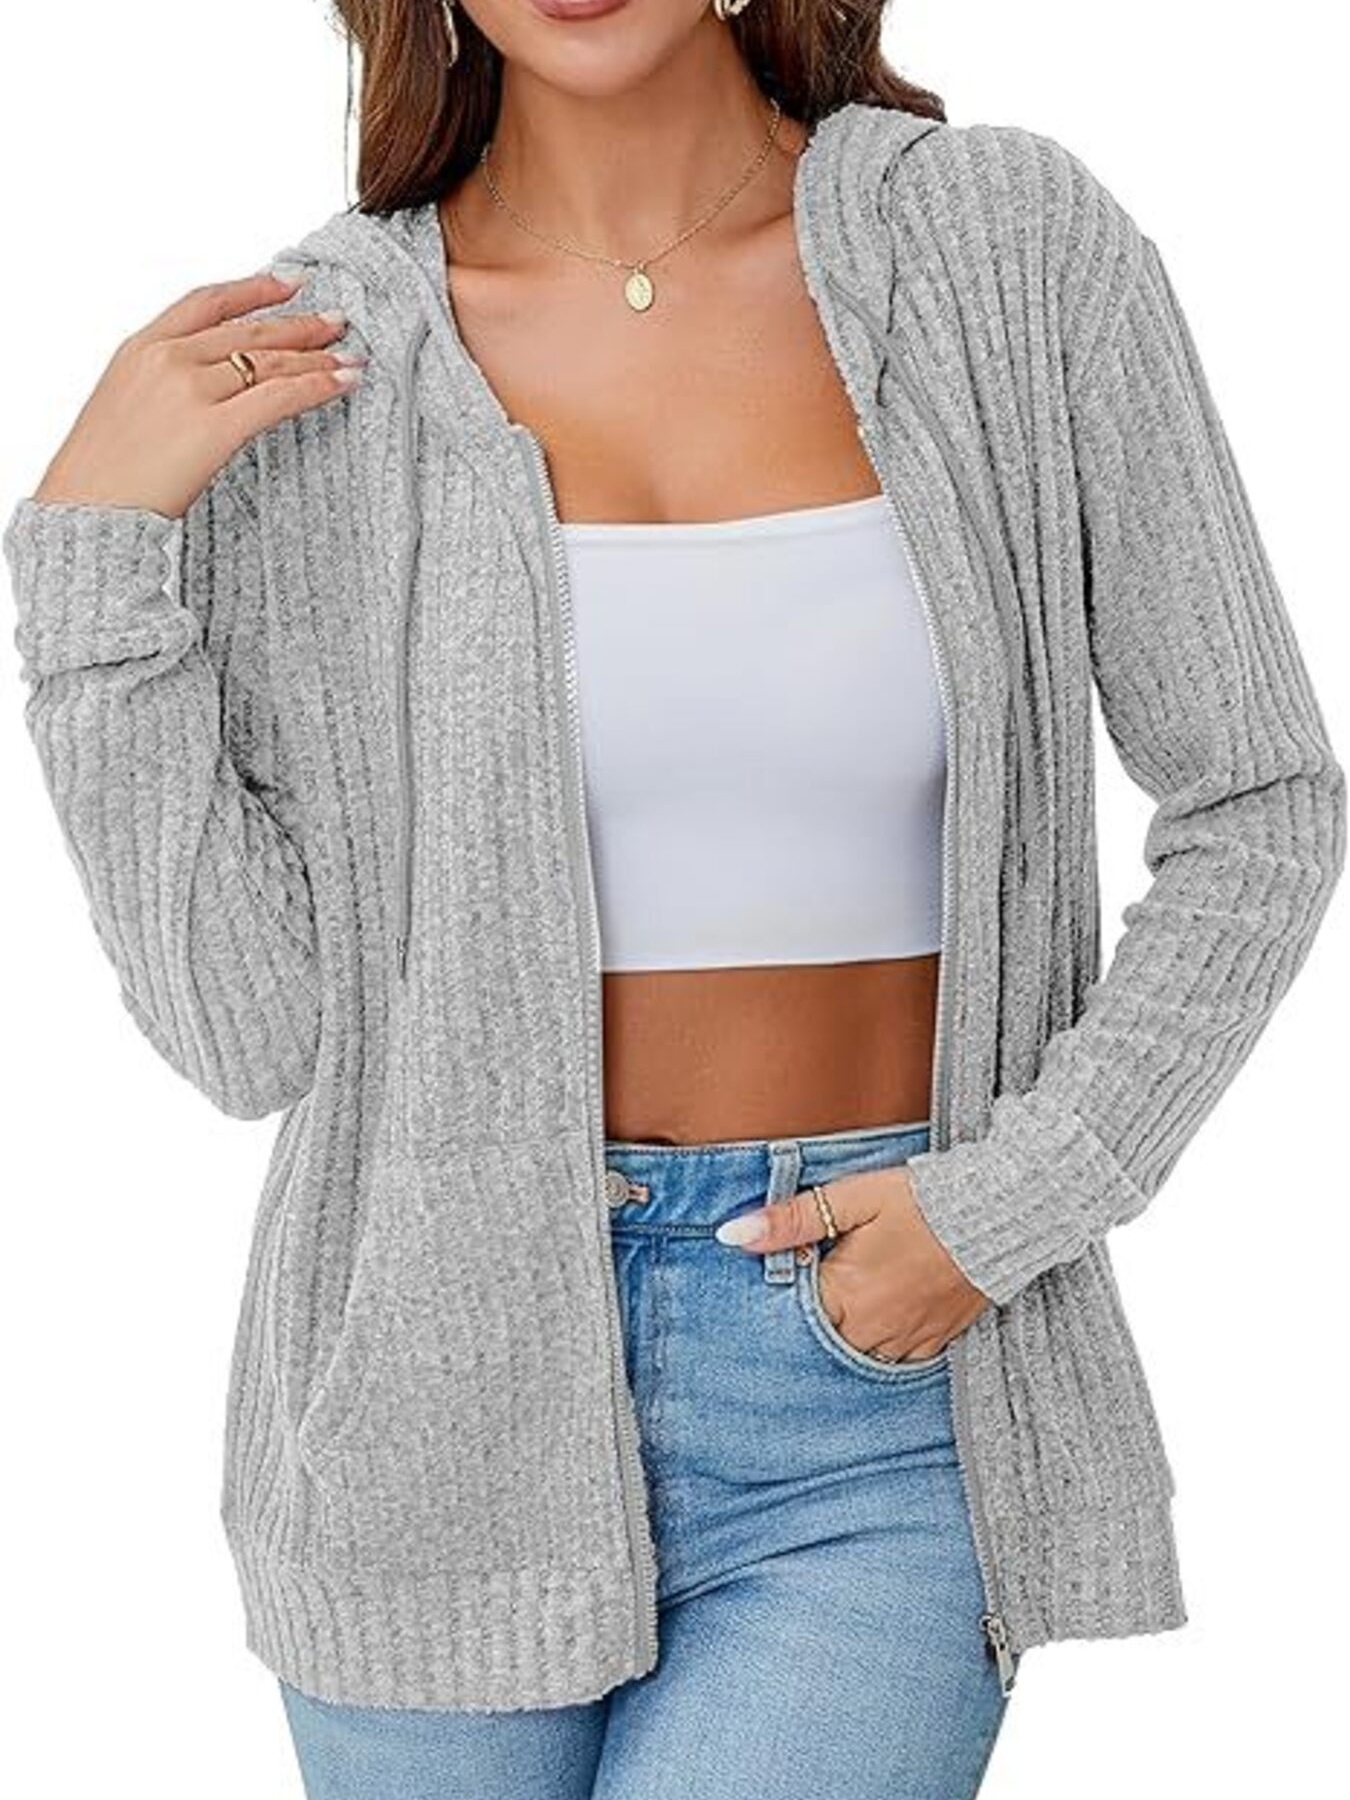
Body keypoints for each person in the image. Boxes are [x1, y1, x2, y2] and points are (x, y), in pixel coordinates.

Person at [4, 1, 1344, 1796]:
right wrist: (95, 567)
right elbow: (251, 1036)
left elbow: (1257, 802)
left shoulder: (999, 247)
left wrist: (1008, 1204)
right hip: (429, 1404)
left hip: (871, 1376)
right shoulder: (311, 356)